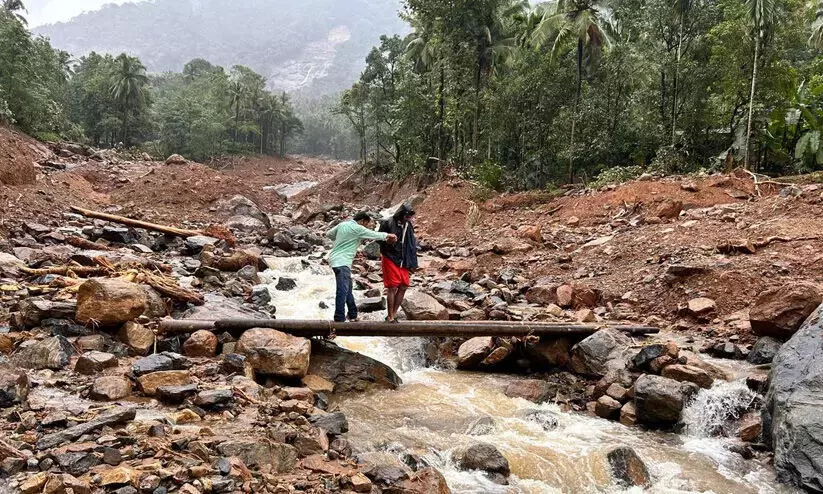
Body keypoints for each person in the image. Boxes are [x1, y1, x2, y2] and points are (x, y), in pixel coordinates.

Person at [326, 212, 397, 323]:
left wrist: (342, 239)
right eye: (366, 224)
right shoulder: (358, 228)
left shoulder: (342, 225)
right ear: (362, 221)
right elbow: (373, 234)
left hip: (335, 260)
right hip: (342, 261)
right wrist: (388, 235)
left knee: (348, 289)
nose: (365, 226)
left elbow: (329, 234)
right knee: (342, 291)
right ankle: (339, 319)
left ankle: (353, 314)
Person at [378, 203, 418, 322]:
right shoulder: (388, 223)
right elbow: (378, 238)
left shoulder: (408, 225)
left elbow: (411, 244)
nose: (408, 218)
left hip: (403, 258)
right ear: (401, 214)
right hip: (390, 257)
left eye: (410, 216)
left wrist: (412, 262)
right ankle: (390, 316)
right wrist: (387, 242)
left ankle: (394, 314)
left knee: (404, 286)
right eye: (407, 216)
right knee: (392, 287)